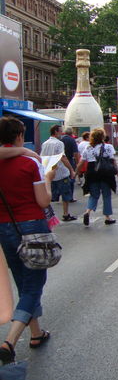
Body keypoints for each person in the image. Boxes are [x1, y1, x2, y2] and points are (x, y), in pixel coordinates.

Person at [0, 116, 57, 364]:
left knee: (23, 282)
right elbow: (43, 201)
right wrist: (48, 179)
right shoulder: (29, 162)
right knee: (34, 284)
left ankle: (36, 334)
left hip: (4, 227)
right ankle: (10, 340)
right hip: (33, 226)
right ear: (20, 136)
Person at [77, 128, 118, 226]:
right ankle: (107, 217)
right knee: (106, 195)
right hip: (106, 172)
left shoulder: (88, 148)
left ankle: (87, 212)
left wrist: (75, 173)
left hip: (91, 172)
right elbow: (113, 160)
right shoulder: (108, 147)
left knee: (93, 195)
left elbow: (81, 162)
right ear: (102, 137)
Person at [40, 124, 77, 221]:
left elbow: (43, 157)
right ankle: (66, 213)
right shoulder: (59, 143)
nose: (62, 133)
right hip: (61, 172)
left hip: (49, 173)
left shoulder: (45, 143)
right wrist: (71, 170)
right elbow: (63, 158)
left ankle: (48, 214)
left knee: (50, 194)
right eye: (60, 131)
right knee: (65, 194)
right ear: (56, 132)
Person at [62, 127, 80, 202]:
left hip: (61, 161)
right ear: (71, 133)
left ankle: (62, 196)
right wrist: (77, 163)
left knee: (62, 179)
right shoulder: (72, 140)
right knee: (71, 178)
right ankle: (70, 197)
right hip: (69, 160)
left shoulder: (60, 139)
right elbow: (75, 153)